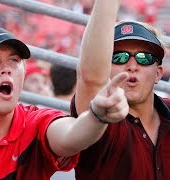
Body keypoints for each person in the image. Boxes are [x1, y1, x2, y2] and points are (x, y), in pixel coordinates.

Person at [0, 6, 129, 180]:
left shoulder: (35, 121)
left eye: (14, 60)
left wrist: (97, 116)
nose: (6, 67)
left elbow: (71, 135)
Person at [73, 0, 170, 179]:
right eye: (119, 57)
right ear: (105, 69)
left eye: (144, 57)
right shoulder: (100, 118)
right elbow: (90, 78)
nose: (132, 65)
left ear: (158, 74)